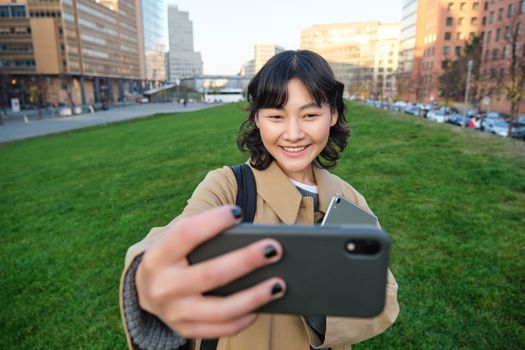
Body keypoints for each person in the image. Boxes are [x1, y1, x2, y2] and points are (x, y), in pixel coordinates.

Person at [120, 50, 399, 350]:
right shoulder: (228, 186)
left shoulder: (349, 198)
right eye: (276, 116)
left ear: (332, 114)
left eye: (310, 115)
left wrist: (313, 301)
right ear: (257, 118)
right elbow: (176, 233)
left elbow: (383, 296)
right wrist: (147, 282)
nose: (293, 134)